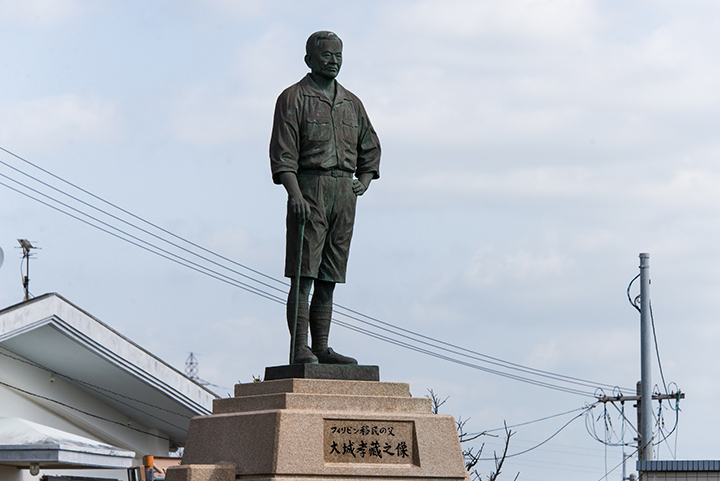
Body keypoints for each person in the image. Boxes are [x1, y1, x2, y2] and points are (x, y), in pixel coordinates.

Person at [270, 31, 381, 364]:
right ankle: (299, 348)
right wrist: (295, 193)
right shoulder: (293, 98)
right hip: (310, 189)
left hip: (344, 193)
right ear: (309, 60)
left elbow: (370, 147)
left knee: (330, 276)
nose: (333, 61)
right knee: (305, 273)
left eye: (338, 56)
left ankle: (322, 346)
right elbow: (283, 154)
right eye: (326, 56)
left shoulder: (352, 103)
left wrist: (362, 181)